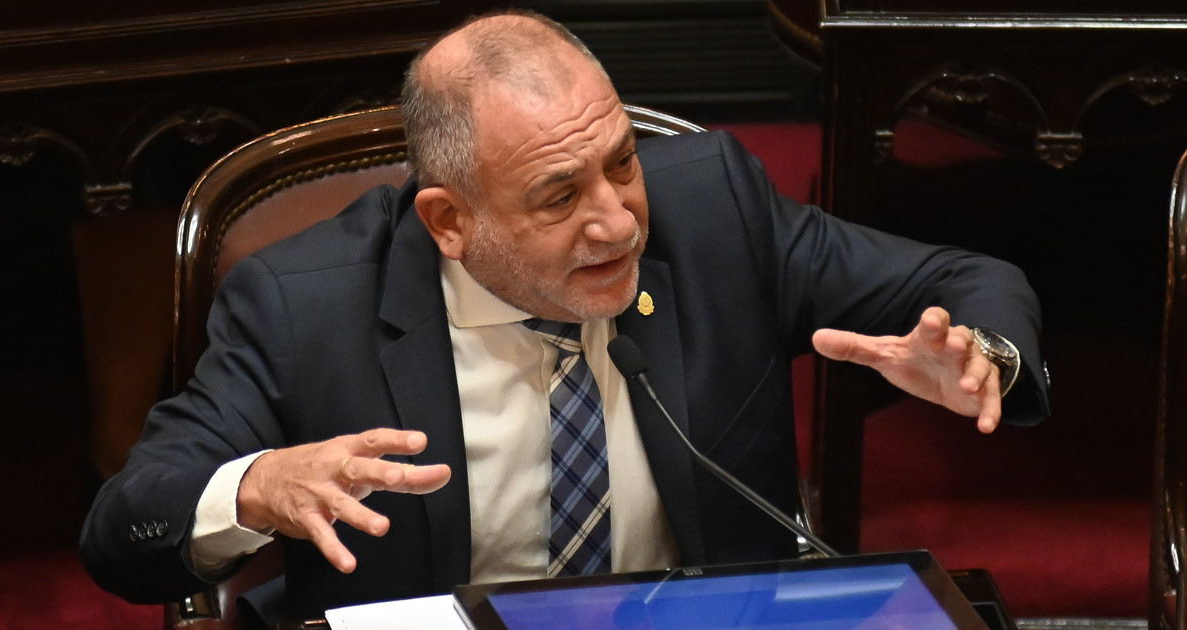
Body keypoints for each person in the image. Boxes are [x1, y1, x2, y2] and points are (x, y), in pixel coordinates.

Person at [80, 9, 1049, 624]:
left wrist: (979, 355)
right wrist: (252, 488)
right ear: (449, 223)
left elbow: (969, 278)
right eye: (557, 197)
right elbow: (125, 527)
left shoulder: (713, 213)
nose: (618, 221)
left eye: (621, 162)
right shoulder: (305, 305)